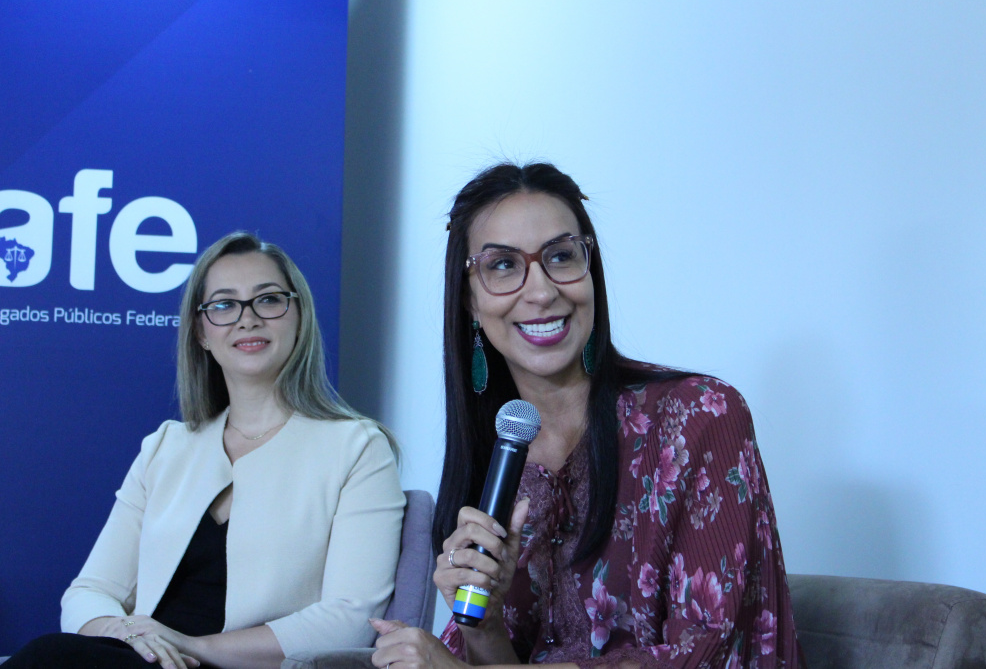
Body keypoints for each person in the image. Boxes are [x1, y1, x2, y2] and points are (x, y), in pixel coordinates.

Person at [370, 163, 806, 668]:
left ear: (590, 270)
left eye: (560, 256)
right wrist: (484, 629)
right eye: (503, 265)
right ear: (469, 299)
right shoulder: (499, 455)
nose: (541, 292)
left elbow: (708, 653)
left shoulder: (700, 416)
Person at [6, 232, 405, 669]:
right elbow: (89, 592)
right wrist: (134, 636)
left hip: (241, 665)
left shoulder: (357, 447)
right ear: (200, 332)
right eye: (224, 304)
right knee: (49, 654)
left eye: (268, 300)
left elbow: (349, 619)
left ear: (299, 316)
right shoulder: (165, 447)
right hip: (142, 658)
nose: (247, 319)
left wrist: (192, 646)